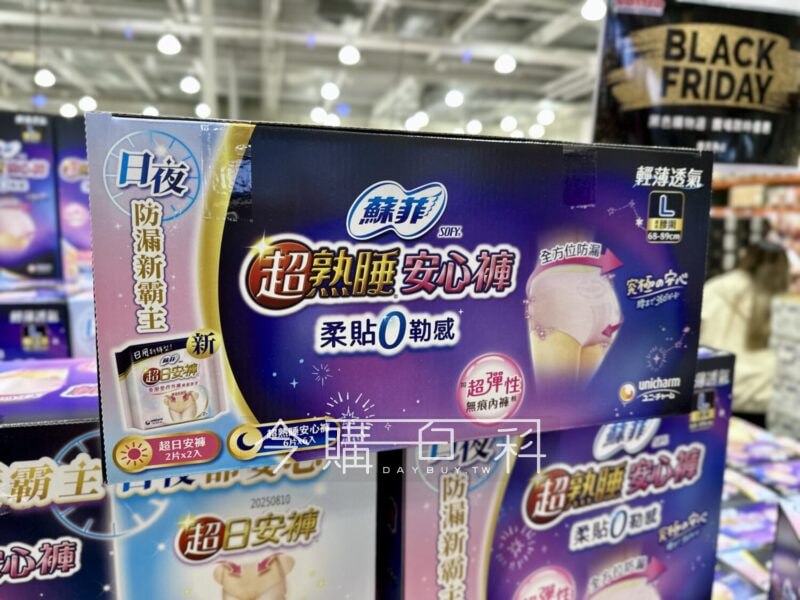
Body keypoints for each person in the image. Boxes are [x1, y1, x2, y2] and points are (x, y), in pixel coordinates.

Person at [700, 241, 789, 426]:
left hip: (717, 392)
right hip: (765, 401)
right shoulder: (785, 303)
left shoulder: (715, 288)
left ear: (745, 257)